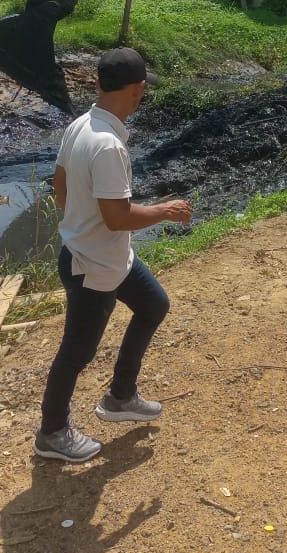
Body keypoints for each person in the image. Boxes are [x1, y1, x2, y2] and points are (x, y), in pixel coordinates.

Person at [35, 47, 193, 463]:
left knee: (154, 304)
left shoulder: (80, 126)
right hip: (93, 266)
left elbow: (60, 186)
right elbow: (118, 217)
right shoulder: (107, 145)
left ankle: (121, 397)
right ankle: (51, 432)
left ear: (98, 83)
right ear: (137, 89)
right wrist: (165, 210)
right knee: (76, 353)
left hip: (106, 256)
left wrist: (77, 221)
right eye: (143, 88)